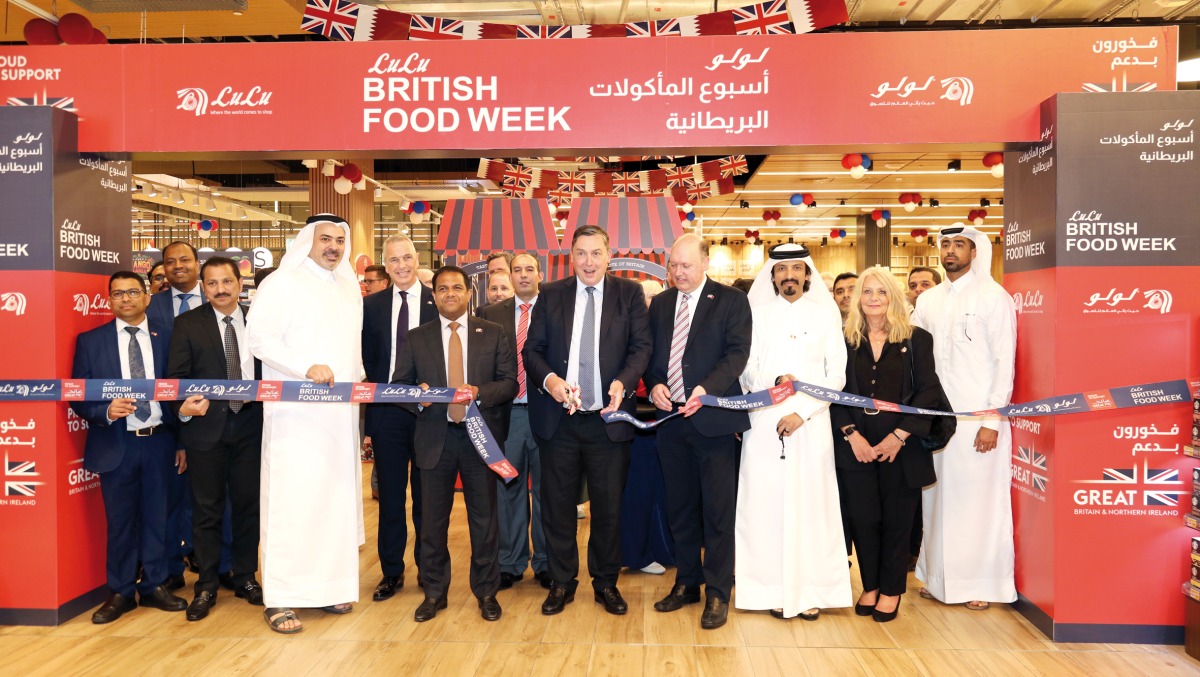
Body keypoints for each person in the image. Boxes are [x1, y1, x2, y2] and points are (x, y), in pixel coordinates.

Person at [524, 225, 652, 616]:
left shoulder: (628, 294)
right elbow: (533, 351)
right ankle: (562, 582)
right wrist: (550, 380)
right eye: (581, 253)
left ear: (609, 255)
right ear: (571, 256)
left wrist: (623, 382)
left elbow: (641, 347)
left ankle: (606, 582)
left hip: (608, 418)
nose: (588, 261)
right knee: (558, 506)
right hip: (559, 420)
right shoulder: (551, 295)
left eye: (596, 253)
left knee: (609, 507)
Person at [246, 214, 365, 634]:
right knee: (291, 503)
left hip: (339, 414)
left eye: (339, 240)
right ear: (306, 242)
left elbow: (351, 346)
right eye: (325, 239)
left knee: (335, 500)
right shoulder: (281, 283)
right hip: (294, 417)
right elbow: (258, 338)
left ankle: (330, 587)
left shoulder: (349, 287)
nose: (333, 247)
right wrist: (305, 366)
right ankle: (280, 597)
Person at [395, 265, 517, 622]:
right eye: (442, 289)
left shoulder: (492, 333)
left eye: (457, 288)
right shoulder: (417, 337)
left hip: (482, 439)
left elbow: (509, 383)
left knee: (485, 521)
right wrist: (416, 397)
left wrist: (480, 392)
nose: (450, 293)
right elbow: (399, 385)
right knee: (432, 522)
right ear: (434, 297)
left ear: (468, 294)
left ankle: (486, 592)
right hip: (435, 439)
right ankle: (434, 592)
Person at [736, 243, 851, 621]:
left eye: (796, 270)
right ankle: (770, 589)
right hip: (764, 420)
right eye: (782, 270)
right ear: (772, 275)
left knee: (810, 508)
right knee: (765, 506)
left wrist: (802, 411)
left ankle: (811, 591)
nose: (789, 276)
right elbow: (745, 368)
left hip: (812, 424)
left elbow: (836, 375)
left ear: (807, 274)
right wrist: (773, 385)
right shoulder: (754, 312)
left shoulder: (825, 314)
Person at [645, 234, 751, 630]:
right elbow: (652, 354)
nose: (678, 272)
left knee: (718, 513)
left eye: (686, 265)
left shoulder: (731, 301)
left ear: (706, 263)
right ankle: (687, 582)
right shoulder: (660, 303)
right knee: (681, 509)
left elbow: (737, 354)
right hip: (672, 423)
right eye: (673, 265)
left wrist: (707, 390)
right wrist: (655, 381)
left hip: (714, 423)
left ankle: (718, 592)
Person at [912, 225, 1017, 611]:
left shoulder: (994, 297)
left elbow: (1005, 362)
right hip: (936, 417)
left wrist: (992, 420)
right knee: (937, 500)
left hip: (978, 421)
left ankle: (981, 584)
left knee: (977, 501)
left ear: (975, 252)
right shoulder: (928, 301)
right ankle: (937, 579)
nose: (951, 251)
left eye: (959, 244)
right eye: (945, 244)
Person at [72, 271, 186, 623]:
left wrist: (182, 443)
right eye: (117, 293)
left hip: (160, 442)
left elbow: (181, 391)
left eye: (132, 292)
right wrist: (104, 410)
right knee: (120, 522)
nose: (125, 299)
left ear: (147, 296)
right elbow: (79, 394)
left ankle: (153, 585)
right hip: (115, 444)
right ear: (109, 299)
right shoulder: (91, 341)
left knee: (157, 518)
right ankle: (121, 591)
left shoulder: (169, 337)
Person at [831, 266, 943, 623]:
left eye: (881, 292)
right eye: (867, 292)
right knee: (864, 520)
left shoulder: (917, 339)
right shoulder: (843, 340)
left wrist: (899, 436)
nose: (873, 299)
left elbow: (928, 393)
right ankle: (871, 584)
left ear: (893, 297)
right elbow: (833, 392)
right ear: (857, 299)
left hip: (902, 448)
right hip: (856, 447)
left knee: (897, 522)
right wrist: (852, 435)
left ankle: (892, 589)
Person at [166, 257, 264, 621]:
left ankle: (245, 576)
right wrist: (182, 407)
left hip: (252, 427)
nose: (221, 289)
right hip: (205, 430)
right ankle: (205, 584)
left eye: (227, 281)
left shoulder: (260, 322)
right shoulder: (187, 324)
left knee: (246, 507)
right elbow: (175, 378)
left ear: (240, 283)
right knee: (206, 511)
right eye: (212, 283)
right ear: (203, 287)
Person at [361, 235, 437, 602]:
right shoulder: (370, 307)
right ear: (385, 265)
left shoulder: (437, 301)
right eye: (394, 260)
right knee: (390, 498)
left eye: (408, 257)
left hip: (427, 413)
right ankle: (391, 571)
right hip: (387, 412)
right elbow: (365, 360)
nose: (402, 265)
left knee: (427, 498)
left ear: (416, 258)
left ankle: (427, 569)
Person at [478, 252, 551, 590]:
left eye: (529, 269)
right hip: (507, 414)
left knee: (549, 491)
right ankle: (510, 562)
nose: (523, 275)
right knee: (509, 490)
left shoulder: (557, 306)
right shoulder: (490, 315)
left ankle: (547, 562)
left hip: (549, 413)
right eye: (517, 270)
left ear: (540, 273)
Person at [146, 241, 203, 591]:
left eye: (184, 259)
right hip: (168, 418)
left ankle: (219, 566)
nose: (177, 266)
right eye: (170, 262)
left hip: (216, 415)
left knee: (216, 501)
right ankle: (170, 570)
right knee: (169, 502)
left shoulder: (221, 300)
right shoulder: (151, 309)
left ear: (198, 263)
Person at [620, 278, 674, 578]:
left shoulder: (670, 329)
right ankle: (636, 554)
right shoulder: (629, 331)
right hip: (635, 417)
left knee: (666, 489)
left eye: (656, 295)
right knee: (638, 491)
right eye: (644, 296)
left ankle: (666, 549)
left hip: (667, 417)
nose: (650, 301)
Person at [904, 264, 943, 568]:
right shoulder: (908, 326)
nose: (919, 290)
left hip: (946, 413)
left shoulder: (920, 334)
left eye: (925, 284)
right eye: (914, 285)